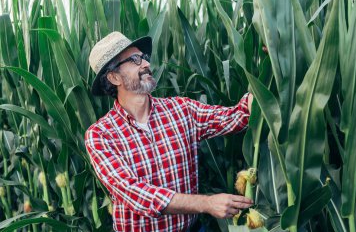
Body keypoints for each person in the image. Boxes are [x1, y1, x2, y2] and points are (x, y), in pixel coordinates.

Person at [85, 32, 254, 232]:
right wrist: (207, 203)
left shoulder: (181, 110)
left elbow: (237, 117)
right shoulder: (100, 135)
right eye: (134, 60)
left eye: (144, 58)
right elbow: (135, 194)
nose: (146, 64)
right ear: (114, 77)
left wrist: (276, 62)